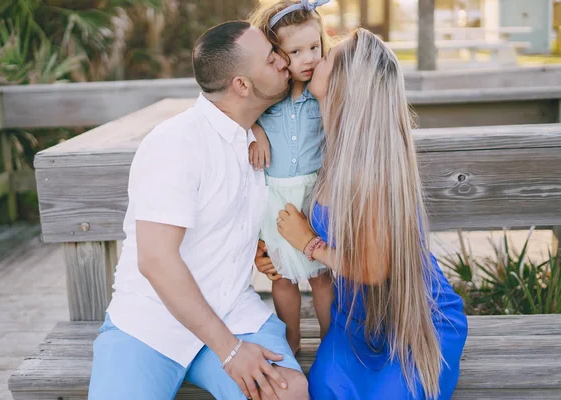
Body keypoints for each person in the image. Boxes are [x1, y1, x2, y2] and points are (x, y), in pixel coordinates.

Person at [88, 21, 309, 400]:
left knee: (287, 392)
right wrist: (231, 350)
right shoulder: (176, 143)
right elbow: (156, 261)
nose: (284, 62)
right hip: (151, 321)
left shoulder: (256, 134)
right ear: (241, 85)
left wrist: (262, 246)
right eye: (272, 59)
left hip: (233, 313)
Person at [258, 29, 468, 399]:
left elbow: (373, 269)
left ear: (344, 83)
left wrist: (307, 243)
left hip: (413, 317)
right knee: (325, 389)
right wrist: (273, 251)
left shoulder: (369, 168)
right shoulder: (324, 143)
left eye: (327, 56)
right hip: (353, 316)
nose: (315, 59)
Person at [246, 0, 334, 355]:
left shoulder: (322, 93)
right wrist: (257, 130)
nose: (309, 57)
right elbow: (231, 110)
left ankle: (332, 339)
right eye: (296, 51)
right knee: (281, 276)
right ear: (275, 55)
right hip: (276, 198)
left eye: (315, 47)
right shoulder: (266, 97)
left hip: (314, 194)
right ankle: (292, 339)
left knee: (321, 274)